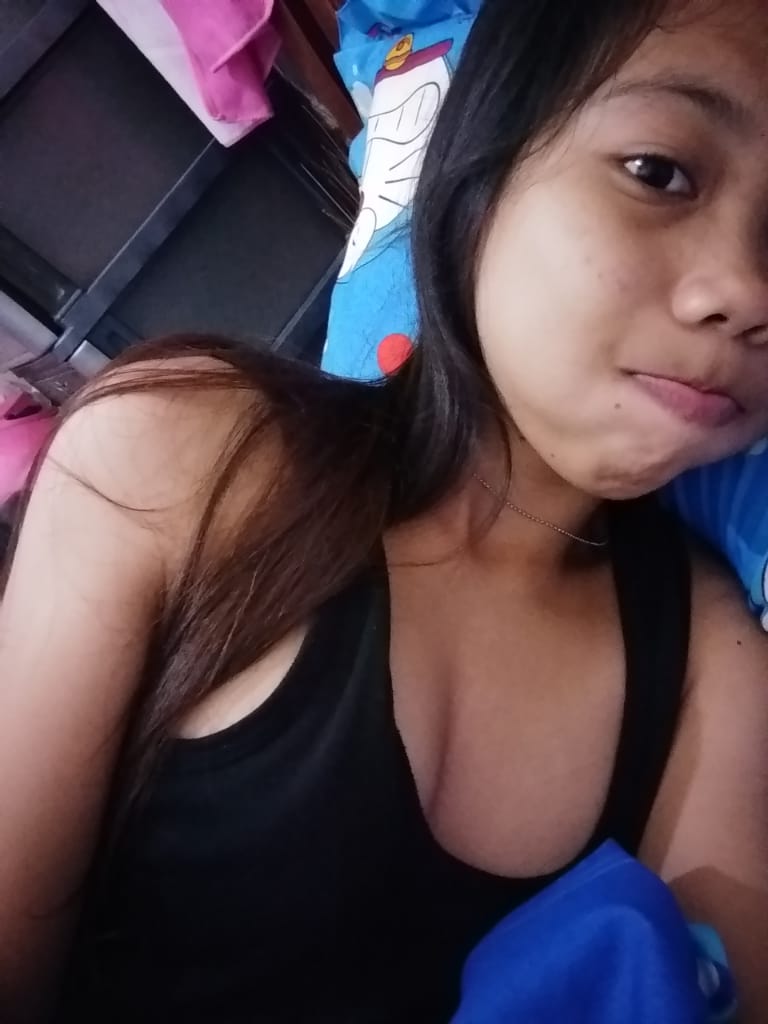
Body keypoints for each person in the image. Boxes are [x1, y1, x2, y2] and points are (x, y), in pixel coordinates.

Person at [1, 0, 767, 1020]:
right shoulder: (181, 462)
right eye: (658, 172)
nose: (748, 290)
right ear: (481, 164)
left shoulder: (715, 664)